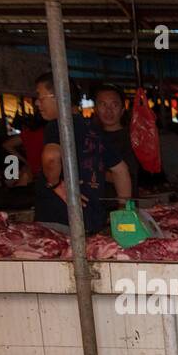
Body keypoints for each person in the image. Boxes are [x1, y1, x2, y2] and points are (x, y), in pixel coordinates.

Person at [32, 71, 130, 234]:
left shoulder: (58, 125)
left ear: (58, 97)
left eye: (40, 97)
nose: (37, 103)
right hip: (91, 221)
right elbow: (121, 170)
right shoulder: (95, 131)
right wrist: (124, 210)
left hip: (58, 221)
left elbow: (51, 157)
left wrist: (57, 185)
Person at [91, 84, 138, 198]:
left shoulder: (132, 138)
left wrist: (93, 172)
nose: (108, 110)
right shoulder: (90, 137)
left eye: (114, 105)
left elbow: (130, 175)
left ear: (122, 109)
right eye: (103, 104)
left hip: (123, 204)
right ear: (95, 109)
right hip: (95, 206)